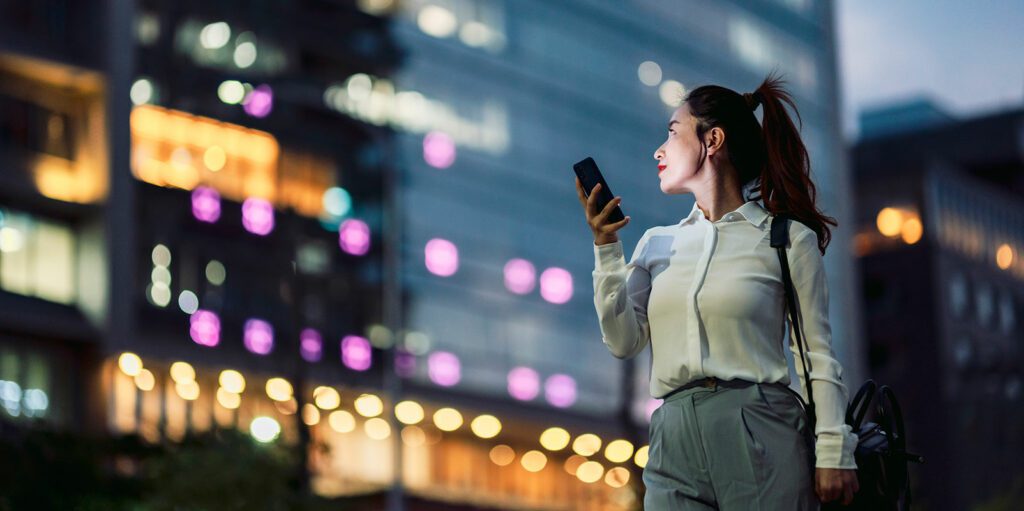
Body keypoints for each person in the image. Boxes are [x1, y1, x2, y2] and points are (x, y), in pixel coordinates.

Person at [574, 72, 859, 510]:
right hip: (672, 435)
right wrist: (607, 248)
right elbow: (622, 341)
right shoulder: (657, 243)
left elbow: (815, 354)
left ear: (713, 140)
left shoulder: (785, 239)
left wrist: (833, 451)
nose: (659, 149)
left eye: (672, 133)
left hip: (760, 424)